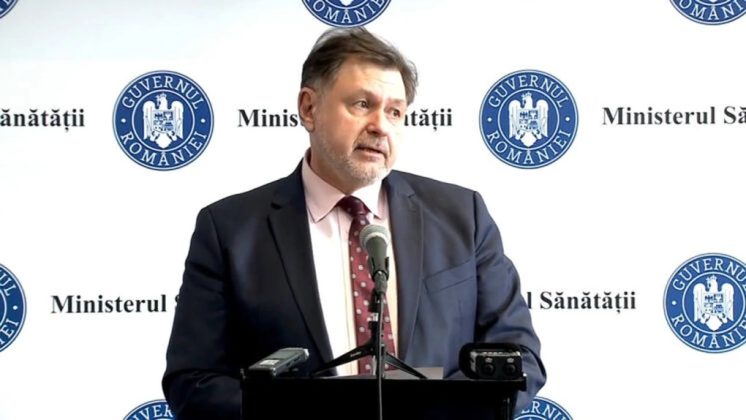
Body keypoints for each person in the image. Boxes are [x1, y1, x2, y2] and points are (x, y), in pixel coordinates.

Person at [163, 27, 546, 419]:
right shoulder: (230, 230)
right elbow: (192, 381)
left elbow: (521, 358)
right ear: (309, 108)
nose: (381, 126)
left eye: (395, 112)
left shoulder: (463, 216)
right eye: (362, 104)